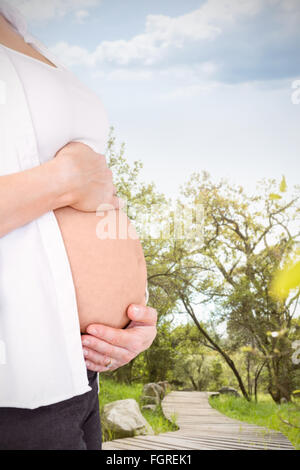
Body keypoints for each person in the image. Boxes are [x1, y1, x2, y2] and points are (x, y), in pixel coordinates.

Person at [0, 1, 157, 450]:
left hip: (77, 378)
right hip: (15, 395)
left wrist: (132, 319)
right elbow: (74, 180)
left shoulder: (23, 29)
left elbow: (93, 191)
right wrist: (62, 180)